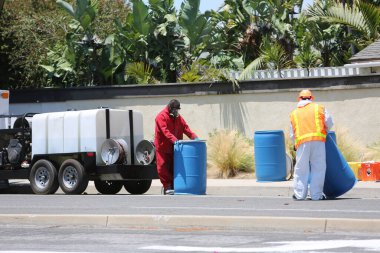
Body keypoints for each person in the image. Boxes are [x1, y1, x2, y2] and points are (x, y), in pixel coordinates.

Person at [289, 90, 333, 200]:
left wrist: (295, 143)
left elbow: (292, 133)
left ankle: (299, 195)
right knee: (318, 168)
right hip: (318, 141)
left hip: (302, 143)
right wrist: (325, 131)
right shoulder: (320, 108)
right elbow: (329, 122)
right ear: (311, 98)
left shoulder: (294, 113)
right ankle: (316, 195)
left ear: (299, 99)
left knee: (301, 169)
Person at [154, 99, 199, 195]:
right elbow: (165, 131)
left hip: (174, 148)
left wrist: (194, 137)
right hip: (162, 147)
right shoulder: (161, 117)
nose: (176, 112)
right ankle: (167, 187)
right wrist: (175, 140)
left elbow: (186, 128)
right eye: (175, 110)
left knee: (174, 167)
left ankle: (174, 185)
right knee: (162, 167)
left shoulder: (178, 118)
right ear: (170, 108)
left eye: (178, 110)